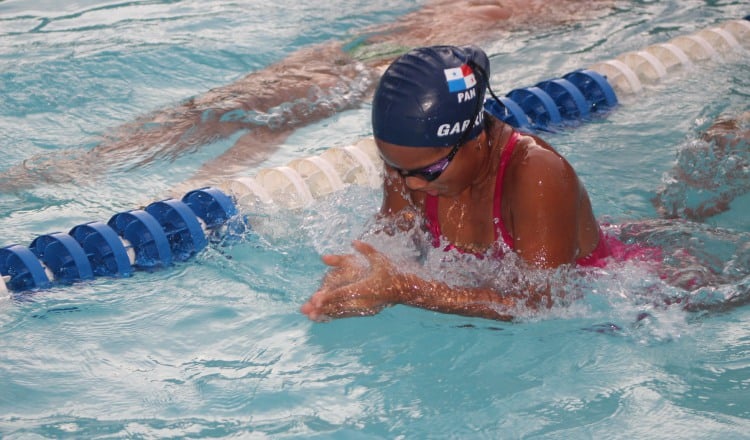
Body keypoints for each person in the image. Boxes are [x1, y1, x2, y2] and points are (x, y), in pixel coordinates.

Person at [0, 0, 612, 194]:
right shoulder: (526, 9)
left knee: (209, 116)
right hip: (350, 73)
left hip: (338, 62)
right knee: (254, 125)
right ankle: (185, 191)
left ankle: (51, 174)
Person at [301, 45, 631, 323]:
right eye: (397, 169)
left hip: (615, 301)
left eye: (430, 171)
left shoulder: (538, 175)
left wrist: (410, 291)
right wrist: (353, 277)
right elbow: (391, 242)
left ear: (475, 139)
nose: (412, 185)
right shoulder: (408, 170)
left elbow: (542, 304)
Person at [652, 111, 750, 222]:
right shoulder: (693, 161)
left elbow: (723, 205)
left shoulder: (736, 177)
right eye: (716, 145)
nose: (719, 155)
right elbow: (660, 196)